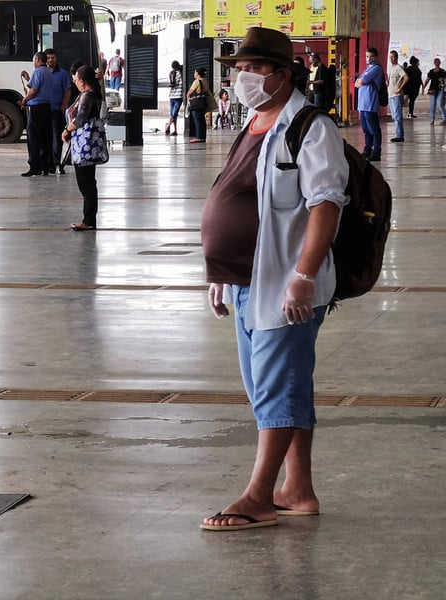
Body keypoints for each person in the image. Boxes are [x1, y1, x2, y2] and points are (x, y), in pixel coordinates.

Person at [200, 26, 349, 531]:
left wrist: (304, 277)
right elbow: (238, 198)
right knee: (281, 386)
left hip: (287, 285)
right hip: (246, 282)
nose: (241, 78)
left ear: (282, 75)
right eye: (238, 70)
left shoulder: (310, 127)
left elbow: (325, 205)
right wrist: (220, 272)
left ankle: (259, 495)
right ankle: (298, 489)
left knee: (273, 391)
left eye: (251, 69)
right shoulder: (253, 124)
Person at [62, 65, 103, 232]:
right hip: (88, 144)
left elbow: (80, 118)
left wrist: (66, 130)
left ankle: (88, 220)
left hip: (84, 144)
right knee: (89, 182)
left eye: (76, 79)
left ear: (83, 80)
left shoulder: (87, 95)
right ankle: (89, 219)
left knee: (85, 183)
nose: (75, 81)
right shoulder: (92, 93)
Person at [18, 52, 54, 177]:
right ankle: (45, 166)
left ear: (37, 60)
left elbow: (34, 91)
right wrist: (28, 78)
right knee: (45, 138)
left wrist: (24, 100)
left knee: (33, 138)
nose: (34, 63)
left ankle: (34, 167)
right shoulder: (48, 72)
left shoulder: (38, 72)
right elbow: (39, 86)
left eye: (34, 60)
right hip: (47, 108)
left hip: (37, 108)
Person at [45, 48, 72, 175]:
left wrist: (63, 108)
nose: (51, 60)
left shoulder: (63, 74)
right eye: (48, 57)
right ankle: (48, 165)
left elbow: (67, 92)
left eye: (53, 57)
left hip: (57, 111)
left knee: (57, 138)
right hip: (43, 110)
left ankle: (59, 165)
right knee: (46, 137)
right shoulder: (41, 73)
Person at [354, 47, 384, 162]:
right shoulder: (367, 69)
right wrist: (359, 81)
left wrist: (359, 82)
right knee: (366, 130)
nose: (368, 59)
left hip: (370, 103)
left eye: (371, 56)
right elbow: (357, 82)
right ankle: (367, 150)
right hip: (362, 104)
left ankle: (376, 152)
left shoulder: (376, 69)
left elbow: (360, 81)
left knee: (374, 129)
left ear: (376, 57)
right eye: (367, 56)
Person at [388, 50, 408, 142]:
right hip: (391, 95)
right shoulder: (391, 68)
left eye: (393, 57)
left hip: (397, 95)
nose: (391, 59)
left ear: (396, 58)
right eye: (390, 57)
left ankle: (400, 135)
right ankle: (398, 133)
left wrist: (400, 88)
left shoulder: (398, 67)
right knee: (394, 115)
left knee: (397, 115)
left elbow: (406, 77)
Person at [187, 67, 212, 143]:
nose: (194, 74)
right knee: (202, 120)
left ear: (197, 73)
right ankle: (203, 137)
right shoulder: (205, 81)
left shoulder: (197, 81)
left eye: (195, 72)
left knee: (197, 120)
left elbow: (189, 92)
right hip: (203, 103)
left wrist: (188, 100)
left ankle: (198, 137)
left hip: (196, 104)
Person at [422, 57, 446, 125]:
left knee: (440, 104)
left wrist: (442, 80)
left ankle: (445, 119)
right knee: (432, 105)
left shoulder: (443, 71)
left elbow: (444, 80)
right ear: (434, 63)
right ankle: (432, 120)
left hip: (440, 89)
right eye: (436, 62)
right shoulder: (431, 71)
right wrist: (423, 87)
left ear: (440, 63)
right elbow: (427, 80)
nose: (437, 63)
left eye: (438, 62)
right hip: (432, 90)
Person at [165, 60, 183, 135]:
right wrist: (171, 84)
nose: (175, 69)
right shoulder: (172, 73)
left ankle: (168, 125)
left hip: (179, 95)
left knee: (174, 113)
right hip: (172, 95)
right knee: (173, 113)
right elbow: (171, 82)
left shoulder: (183, 71)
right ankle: (175, 130)